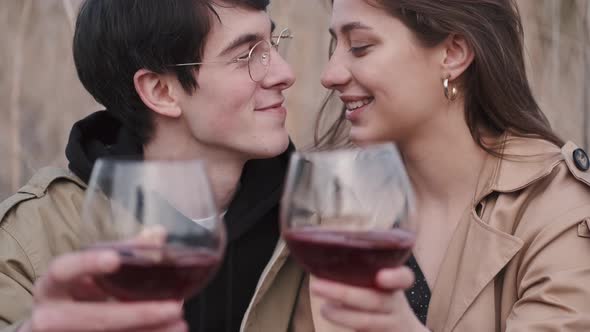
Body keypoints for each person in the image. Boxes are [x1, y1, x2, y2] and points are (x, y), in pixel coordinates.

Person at [240, 0, 590, 331]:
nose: (329, 74)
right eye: (335, 46)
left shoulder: (557, 209)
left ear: (453, 53)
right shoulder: (336, 207)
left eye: (360, 46)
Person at [0, 0, 295, 331]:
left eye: (273, 43)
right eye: (246, 56)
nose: (285, 74)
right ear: (161, 91)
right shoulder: (29, 238)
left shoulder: (321, 221)